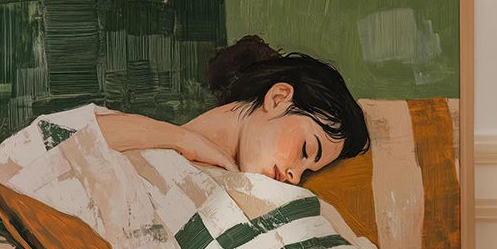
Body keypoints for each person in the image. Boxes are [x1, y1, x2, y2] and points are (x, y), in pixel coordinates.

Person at [95, 34, 369, 182]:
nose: (295, 177)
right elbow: (63, 140)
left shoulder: (254, 197)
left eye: (308, 171)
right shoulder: (119, 134)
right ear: (278, 98)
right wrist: (184, 140)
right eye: (306, 150)